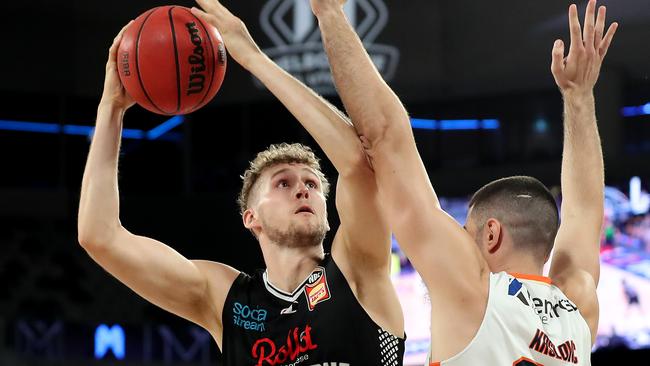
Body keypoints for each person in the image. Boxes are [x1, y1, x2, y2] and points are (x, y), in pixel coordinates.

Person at [77, 2, 405, 364]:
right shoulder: (225, 300)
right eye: (283, 183)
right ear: (251, 218)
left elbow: (358, 164)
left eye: (313, 185)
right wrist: (112, 106)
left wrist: (252, 57)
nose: (303, 189)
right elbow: (99, 236)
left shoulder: (356, 269)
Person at [310, 0, 616, 364]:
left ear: (491, 234)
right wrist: (580, 97)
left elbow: (386, 135)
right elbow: (583, 210)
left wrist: (329, 13)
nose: (460, 240)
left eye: (465, 231)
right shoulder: (578, 304)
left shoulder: (471, 287)